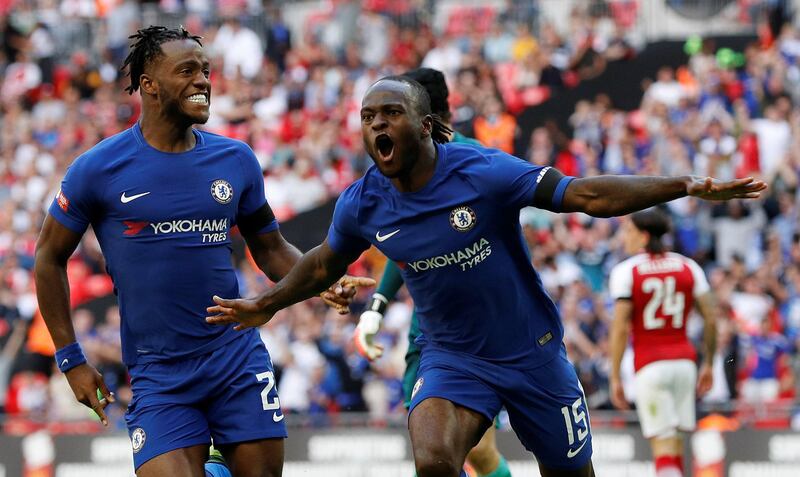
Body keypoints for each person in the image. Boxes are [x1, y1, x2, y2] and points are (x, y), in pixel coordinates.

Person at [205, 76, 766, 477]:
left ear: (424, 126)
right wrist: (268, 303)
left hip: (532, 353)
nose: (377, 124)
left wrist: (685, 184)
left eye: (390, 114)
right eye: (368, 117)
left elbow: (585, 194)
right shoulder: (362, 204)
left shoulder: (484, 171)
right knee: (433, 458)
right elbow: (325, 263)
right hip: (453, 358)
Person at [34, 26, 370, 477]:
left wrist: (320, 279)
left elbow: (269, 249)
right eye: (187, 71)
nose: (203, 81)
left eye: (206, 71)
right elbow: (48, 258)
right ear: (149, 84)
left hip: (236, 358)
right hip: (158, 373)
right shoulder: (98, 168)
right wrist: (71, 359)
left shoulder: (236, 160)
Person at [355, 67, 512, 477]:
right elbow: (402, 243)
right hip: (429, 329)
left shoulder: (476, 160)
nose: (384, 125)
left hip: (481, 330)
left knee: (476, 452)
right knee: (431, 446)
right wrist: (377, 305)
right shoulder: (397, 171)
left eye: (395, 111)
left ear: (424, 117)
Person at [607, 208, 718, 477]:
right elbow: (711, 319)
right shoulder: (688, 266)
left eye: (629, 231)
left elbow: (620, 328)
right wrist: (709, 364)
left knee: (663, 446)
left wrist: (614, 376)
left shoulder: (626, 271)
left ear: (644, 236)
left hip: (650, 365)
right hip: (685, 363)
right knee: (676, 443)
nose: (625, 238)